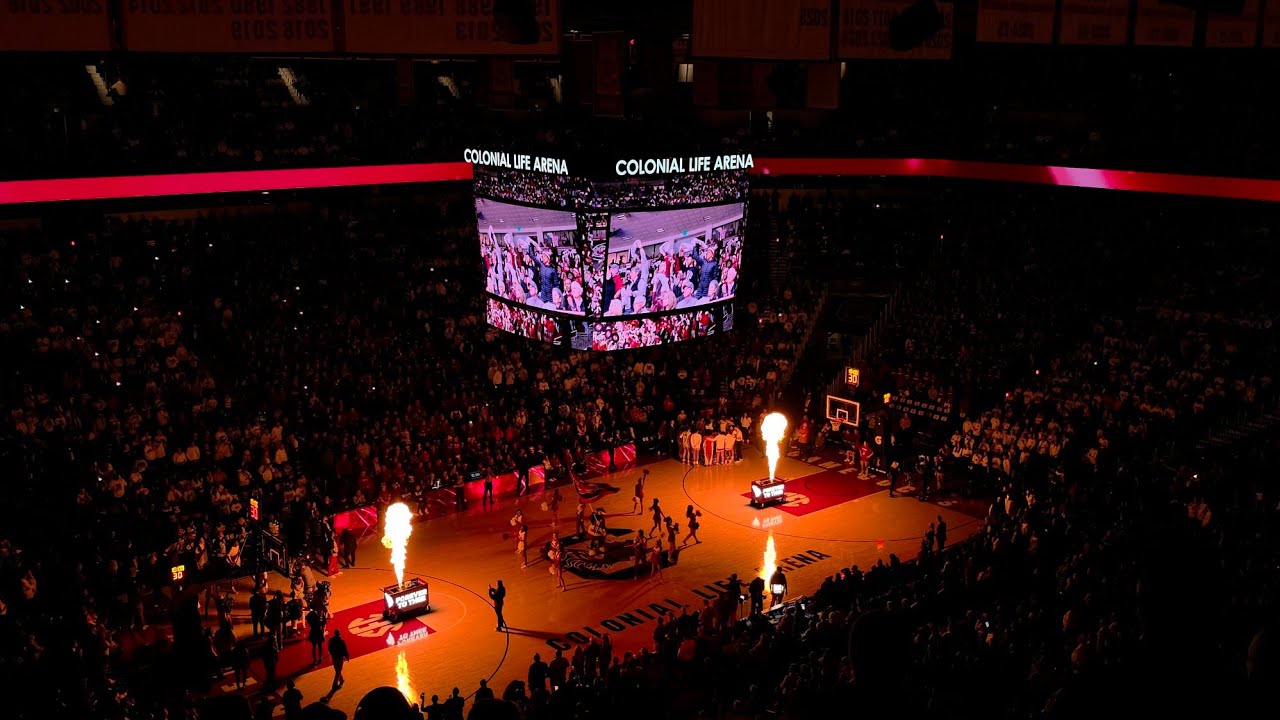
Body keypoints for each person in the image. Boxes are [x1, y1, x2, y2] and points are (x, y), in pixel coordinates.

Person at [328, 629, 349, 694]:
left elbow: (329, 648)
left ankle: (341, 680)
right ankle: (334, 685)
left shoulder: (331, 640)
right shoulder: (341, 641)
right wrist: (347, 656)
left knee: (337, 670)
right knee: (338, 671)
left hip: (334, 657)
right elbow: (345, 649)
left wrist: (331, 654)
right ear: (339, 633)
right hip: (339, 658)